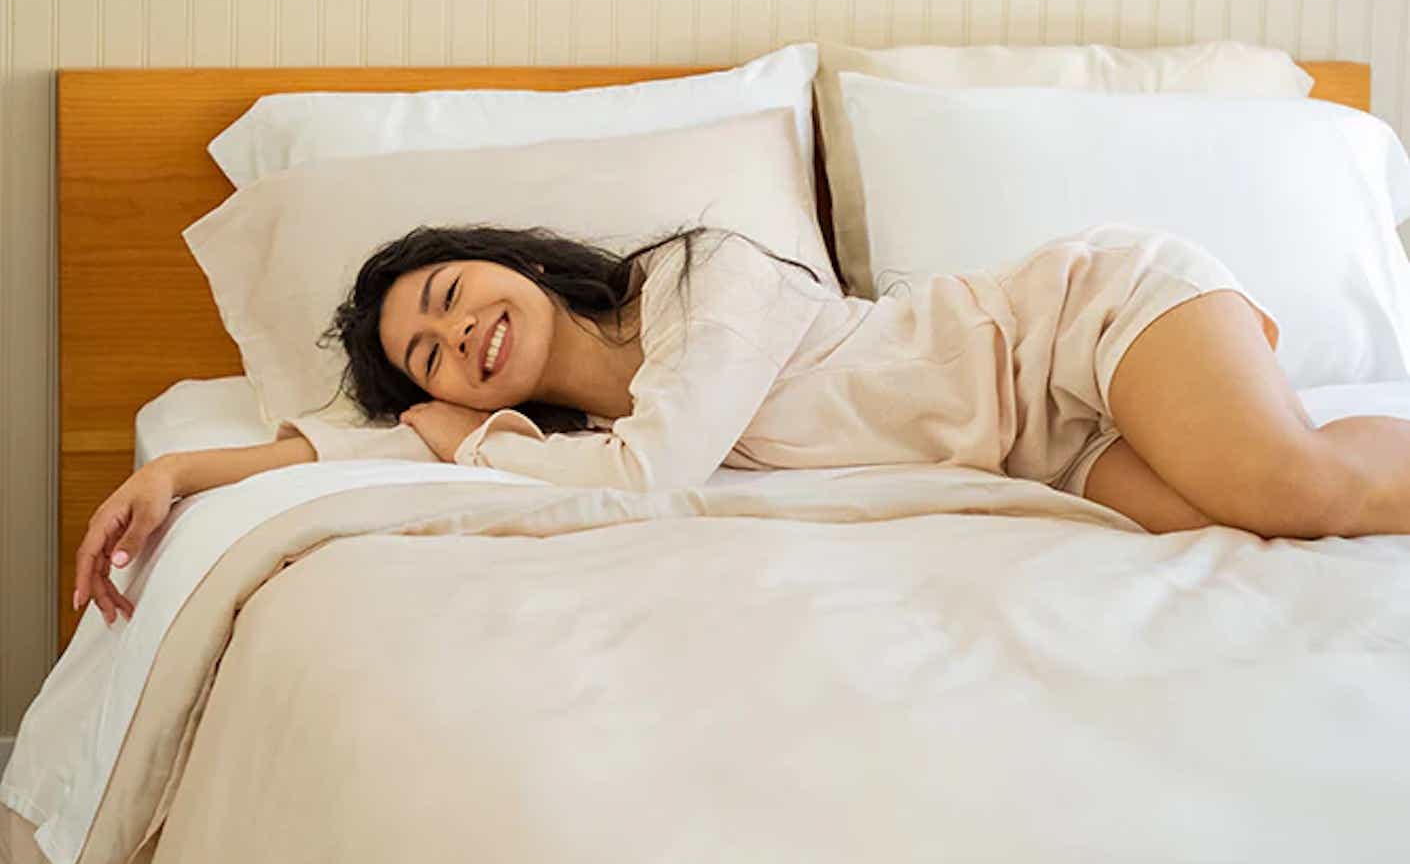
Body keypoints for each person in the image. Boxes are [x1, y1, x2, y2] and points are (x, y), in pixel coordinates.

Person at [74, 222, 1410, 626]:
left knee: (1283, 484)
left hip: (1083, 323)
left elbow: (643, 482)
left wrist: (461, 432)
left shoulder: (711, 281)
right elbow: (371, 442)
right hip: (1051, 451)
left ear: (511, 264)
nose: (457, 338)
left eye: (447, 295)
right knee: (1234, 503)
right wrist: (196, 464)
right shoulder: (558, 430)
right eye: (433, 357)